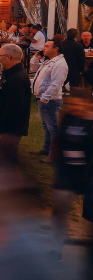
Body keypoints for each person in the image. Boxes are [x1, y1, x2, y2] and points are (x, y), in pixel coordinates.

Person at [50, 87, 93, 259]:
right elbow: (60, 141)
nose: (73, 106)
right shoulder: (67, 117)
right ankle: (56, 248)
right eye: (71, 103)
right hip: (67, 173)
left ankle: (88, 247)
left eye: (78, 103)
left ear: (87, 103)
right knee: (59, 208)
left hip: (87, 175)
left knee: (89, 215)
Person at [0, 43, 31, 164]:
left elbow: (14, 108)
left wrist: (1, 130)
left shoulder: (17, 78)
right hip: (5, 130)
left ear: (8, 57)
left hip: (9, 131)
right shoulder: (9, 74)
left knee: (7, 163)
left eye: (0, 56)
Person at [31, 36, 68, 163]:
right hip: (43, 98)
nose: (43, 48)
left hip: (51, 100)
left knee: (53, 128)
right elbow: (33, 69)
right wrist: (36, 58)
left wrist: (45, 98)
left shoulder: (60, 64)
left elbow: (56, 83)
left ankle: (54, 154)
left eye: (47, 46)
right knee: (46, 126)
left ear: (56, 49)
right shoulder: (50, 61)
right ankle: (46, 149)